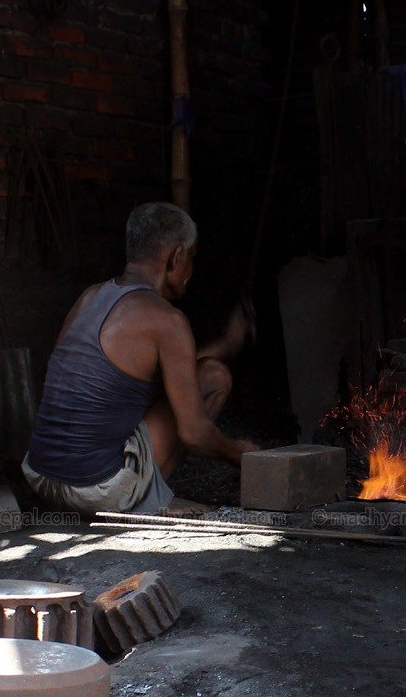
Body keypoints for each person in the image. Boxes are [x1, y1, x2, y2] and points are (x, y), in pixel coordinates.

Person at [22, 202, 257, 513]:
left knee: (205, 372)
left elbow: (144, 370)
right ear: (177, 257)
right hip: (95, 490)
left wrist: (224, 346)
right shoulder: (167, 321)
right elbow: (195, 433)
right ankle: (148, 498)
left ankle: (145, 491)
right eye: (192, 259)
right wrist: (239, 453)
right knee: (215, 377)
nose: (190, 272)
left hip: (41, 477)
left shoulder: (91, 297)